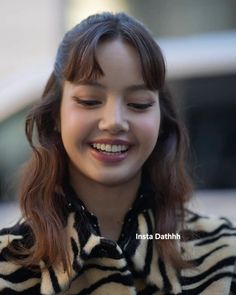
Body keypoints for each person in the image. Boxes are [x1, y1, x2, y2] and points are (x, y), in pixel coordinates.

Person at [0, 12, 235, 295]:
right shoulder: (8, 263)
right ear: (56, 116)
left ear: (162, 119)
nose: (114, 121)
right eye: (89, 101)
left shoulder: (223, 253)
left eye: (138, 103)